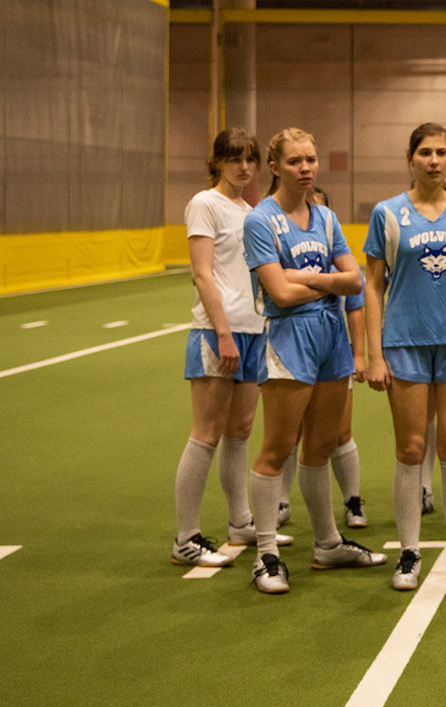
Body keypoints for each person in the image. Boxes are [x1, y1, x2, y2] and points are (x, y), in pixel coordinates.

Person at [243, 128, 387, 594]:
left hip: (332, 339)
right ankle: (266, 553)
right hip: (289, 339)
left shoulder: (325, 218)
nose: (305, 168)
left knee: (321, 446)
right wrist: (327, 279)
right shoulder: (261, 221)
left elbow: (355, 284)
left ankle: (326, 542)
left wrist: (304, 276)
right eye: (295, 161)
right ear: (275, 167)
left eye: (311, 159)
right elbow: (280, 295)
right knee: (277, 447)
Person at [364, 122, 446, 591]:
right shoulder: (387, 214)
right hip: (404, 343)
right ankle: (408, 553)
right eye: (425, 152)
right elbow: (373, 286)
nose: (434, 160)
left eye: (442, 152)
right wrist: (374, 353)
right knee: (411, 449)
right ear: (411, 158)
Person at [171, 127, 292, 569]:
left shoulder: (251, 210)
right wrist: (222, 332)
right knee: (206, 432)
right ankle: (185, 537)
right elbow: (203, 274)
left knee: (240, 431)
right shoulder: (205, 204)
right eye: (234, 158)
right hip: (216, 331)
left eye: (250, 159)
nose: (243, 167)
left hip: (254, 330)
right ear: (218, 161)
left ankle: (241, 520)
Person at [311, 187, 369, 530]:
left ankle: (352, 500)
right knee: (293, 437)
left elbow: (356, 305)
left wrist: (358, 353)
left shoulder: (339, 251)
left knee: (340, 432)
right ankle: (283, 503)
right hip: (295, 349)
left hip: (335, 351)